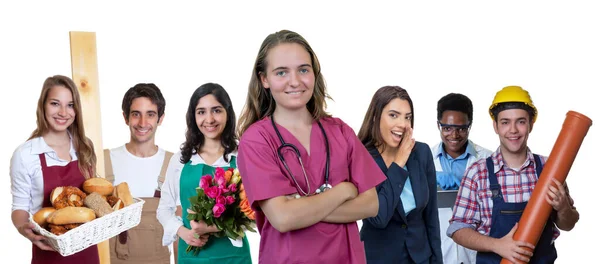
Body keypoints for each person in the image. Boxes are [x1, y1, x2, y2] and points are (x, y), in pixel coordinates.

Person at [236, 29, 386, 264]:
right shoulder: (256, 140)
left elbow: (371, 204)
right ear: (264, 79)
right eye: (281, 72)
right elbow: (283, 218)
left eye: (303, 70)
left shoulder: (340, 131)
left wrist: (301, 207)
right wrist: (343, 191)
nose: (295, 81)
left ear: (314, 74)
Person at [447, 86, 580, 263]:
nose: (513, 130)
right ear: (495, 126)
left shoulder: (551, 168)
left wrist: (563, 207)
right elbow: (458, 229)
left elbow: (568, 224)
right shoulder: (477, 173)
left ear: (531, 124)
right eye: (505, 122)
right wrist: (497, 245)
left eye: (521, 121)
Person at [157, 83, 252, 264]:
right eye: (201, 112)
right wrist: (183, 232)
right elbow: (164, 209)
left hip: (233, 257)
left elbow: (253, 212)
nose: (209, 119)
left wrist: (210, 227)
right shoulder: (180, 160)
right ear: (193, 117)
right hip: (192, 256)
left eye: (216, 110)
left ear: (227, 113)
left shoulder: (242, 158)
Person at [10, 75, 100, 264]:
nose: (63, 112)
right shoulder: (26, 154)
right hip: (48, 252)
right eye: (55, 103)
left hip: (88, 253)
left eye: (70, 105)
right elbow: (19, 208)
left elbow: (93, 197)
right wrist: (24, 228)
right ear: (43, 105)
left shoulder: (84, 147)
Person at [358, 86, 443, 264]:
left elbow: (431, 218)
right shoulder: (362, 157)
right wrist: (399, 162)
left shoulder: (421, 152)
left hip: (420, 258)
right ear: (376, 117)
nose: (403, 124)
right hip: (379, 258)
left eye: (408, 117)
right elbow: (379, 217)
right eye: (393, 115)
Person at [104, 83, 178, 264]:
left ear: (160, 119)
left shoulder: (174, 164)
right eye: (136, 114)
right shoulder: (104, 160)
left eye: (150, 114)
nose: (143, 123)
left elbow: (179, 232)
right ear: (125, 117)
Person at [430, 93, 492, 263]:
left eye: (461, 128)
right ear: (438, 125)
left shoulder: (489, 160)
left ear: (469, 126)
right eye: (447, 128)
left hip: (477, 252)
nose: (454, 135)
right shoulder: (424, 159)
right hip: (439, 252)